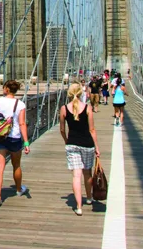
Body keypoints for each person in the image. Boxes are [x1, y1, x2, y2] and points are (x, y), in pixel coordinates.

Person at [0, 79, 30, 207]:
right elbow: (22, 123)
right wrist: (26, 143)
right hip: (14, 138)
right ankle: (18, 189)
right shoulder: (20, 104)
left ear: (6, 89)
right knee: (16, 165)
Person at [60, 83, 100, 216]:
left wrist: (67, 141)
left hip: (72, 144)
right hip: (87, 144)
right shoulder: (87, 108)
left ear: (69, 94)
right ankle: (89, 198)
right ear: (81, 93)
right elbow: (92, 129)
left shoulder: (64, 109)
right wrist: (97, 147)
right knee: (87, 173)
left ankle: (78, 206)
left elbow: (61, 129)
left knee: (76, 175)